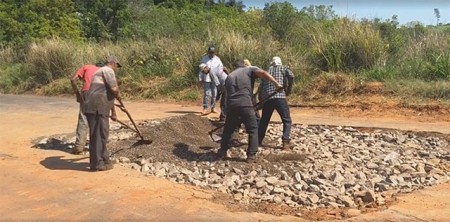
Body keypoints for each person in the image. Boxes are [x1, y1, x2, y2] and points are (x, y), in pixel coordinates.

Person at [217, 59, 283, 163]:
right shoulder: (249, 69)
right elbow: (263, 73)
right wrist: (276, 84)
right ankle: (251, 155)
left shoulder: (229, 76)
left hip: (232, 106)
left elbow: (226, 93)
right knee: (253, 129)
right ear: (244, 66)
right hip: (246, 105)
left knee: (228, 129)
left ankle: (223, 150)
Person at [83, 56, 122, 171]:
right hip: (98, 106)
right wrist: (119, 97)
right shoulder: (108, 70)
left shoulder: (99, 72)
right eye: (116, 66)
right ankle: (97, 164)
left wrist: (114, 112)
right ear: (113, 64)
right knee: (100, 134)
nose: (116, 69)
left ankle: (104, 160)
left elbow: (109, 95)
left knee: (98, 134)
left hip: (94, 105)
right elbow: (114, 89)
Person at [258, 56, 295, 150]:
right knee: (286, 120)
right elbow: (291, 76)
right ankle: (285, 142)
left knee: (264, 121)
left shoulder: (266, 71)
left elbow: (261, 86)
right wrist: (288, 87)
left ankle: (258, 141)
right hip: (280, 97)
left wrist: (261, 99)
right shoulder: (283, 68)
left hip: (268, 98)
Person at [70, 61, 104, 154]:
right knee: (98, 119)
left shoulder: (86, 67)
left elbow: (73, 79)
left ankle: (79, 147)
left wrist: (77, 94)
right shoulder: (105, 71)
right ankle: (98, 147)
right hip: (100, 93)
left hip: (87, 92)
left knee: (84, 118)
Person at [201, 46, 228, 114]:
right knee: (207, 94)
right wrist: (201, 79)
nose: (211, 54)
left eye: (213, 52)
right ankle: (205, 108)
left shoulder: (217, 59)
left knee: (214, 93)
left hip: (215, 79)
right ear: (208, 52)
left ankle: (213, 108)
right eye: (210, 52)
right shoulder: (204, 59)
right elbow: (202, 69)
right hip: (207, 78)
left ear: (214, 52)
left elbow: (221, 68)